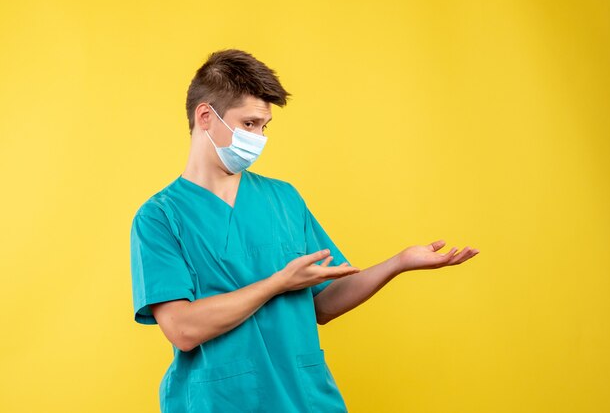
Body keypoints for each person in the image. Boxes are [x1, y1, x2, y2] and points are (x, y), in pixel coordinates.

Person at [130, 49, 480, 413]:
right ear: (206, 116)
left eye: (264, 126)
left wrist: (398, 263)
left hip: (305, 398)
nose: (259, 137)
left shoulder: (284, 199)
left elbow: (323, 303)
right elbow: (182, 330)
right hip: (221, 401)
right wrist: (278, 282)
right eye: (249, 124)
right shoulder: (160, 217)